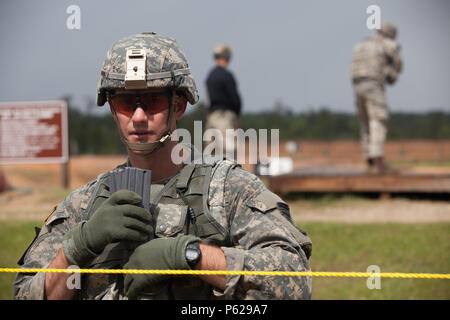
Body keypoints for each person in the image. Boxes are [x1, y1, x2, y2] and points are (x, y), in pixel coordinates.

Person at [14, 32, 312, 300]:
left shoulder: (227, 190)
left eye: (153, 101)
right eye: (126, 103)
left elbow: (293, 281)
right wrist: (77, 247)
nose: (139, 116)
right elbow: (26, 295)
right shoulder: (83, 205)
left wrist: (188, 255)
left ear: (178, 106)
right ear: (112, 109)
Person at [351, 22, 403, 173]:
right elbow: (398, 66)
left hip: (357, 84)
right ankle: (378, 161)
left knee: (365, 122)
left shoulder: (361, 44)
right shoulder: (388, 44)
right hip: (373, 84)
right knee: (379, 119)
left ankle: (369, 160)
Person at [205, 45, 242, 159]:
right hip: (225, 118)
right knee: (228, 153)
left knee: (210, 153)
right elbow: (235, 100)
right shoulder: (227, 76)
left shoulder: (210, 76)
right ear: (227, 57)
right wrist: (236, 115)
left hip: (211, 117)